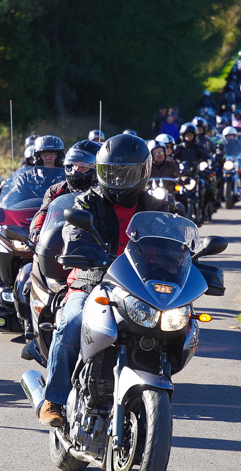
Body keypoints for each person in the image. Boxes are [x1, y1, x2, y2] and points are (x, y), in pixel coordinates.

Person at [39, 134, 170, 426]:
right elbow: (73, 232)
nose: (119, 179)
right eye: (112, 172)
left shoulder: (157, 207)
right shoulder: (87, 201)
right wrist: (81, 249)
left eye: (126, 172)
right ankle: (54, 399)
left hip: (137, 287)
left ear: (143, 172)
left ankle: (150, 388)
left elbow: (175, 243)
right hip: (91, 281)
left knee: (170, 325)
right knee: (72, 322)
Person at [29, 140, 100, 243]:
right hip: (59, 244)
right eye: (74, 164)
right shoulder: (56, 190)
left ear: (96, 168)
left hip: (96, 244)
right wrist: (37, 231)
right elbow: (44, 212)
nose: (76, 170)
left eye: (83, 166)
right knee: (36, 258)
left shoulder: (102, 192)